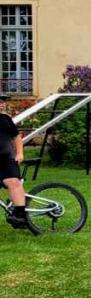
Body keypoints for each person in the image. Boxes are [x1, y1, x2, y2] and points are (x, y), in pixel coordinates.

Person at [0, 95, 28, 229]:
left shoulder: (5, 119)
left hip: (6, 160)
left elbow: (17, 137)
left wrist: (20, 153)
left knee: (13, 182)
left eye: (2, 102)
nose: (2, 105)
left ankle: (20, 215)